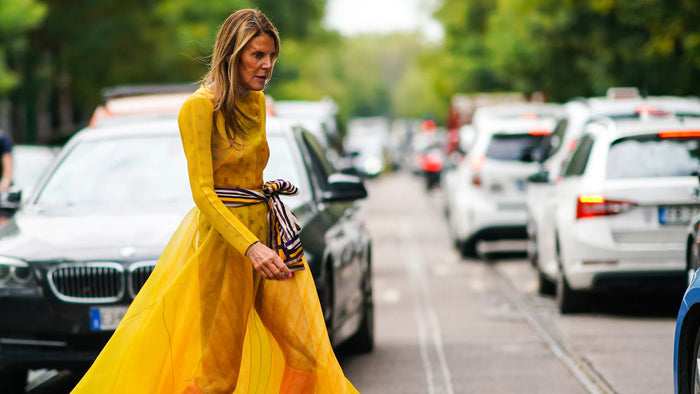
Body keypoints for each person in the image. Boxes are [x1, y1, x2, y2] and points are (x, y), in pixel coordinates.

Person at [72, 9, 358, 394]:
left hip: (270, 237)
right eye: (257, 55)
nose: (267, 65)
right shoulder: (199, 107)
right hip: (224, 247)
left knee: (307, 353)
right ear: (233, 54)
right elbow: (203, 192)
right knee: (218, 375)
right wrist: (251, 248)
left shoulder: (256, 103)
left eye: (272, 56)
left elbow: (251, 177)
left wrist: (265, 241)